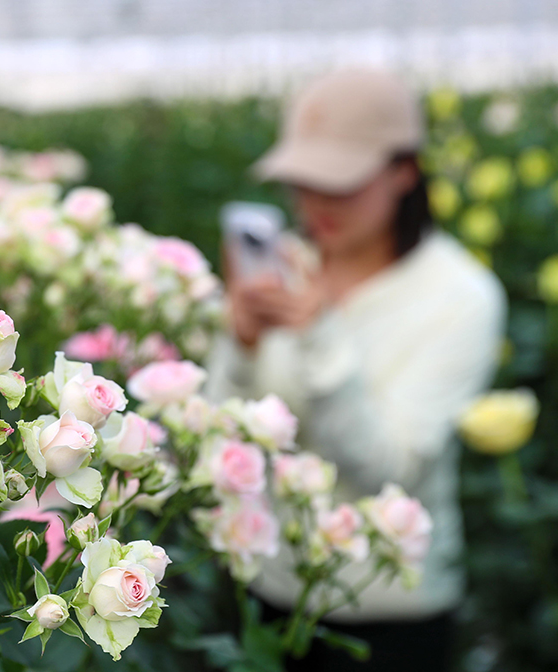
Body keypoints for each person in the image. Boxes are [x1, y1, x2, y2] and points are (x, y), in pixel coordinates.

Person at [205, 69, 507, 671]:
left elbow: (388, 470)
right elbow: (218, 438)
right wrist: (238, 342)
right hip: (261, 591)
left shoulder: (461, 297)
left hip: (386, 618)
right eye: (302, 183)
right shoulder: (287, 264)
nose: (315, 206)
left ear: (405, 171)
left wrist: (321, 337)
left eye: (338, 184)